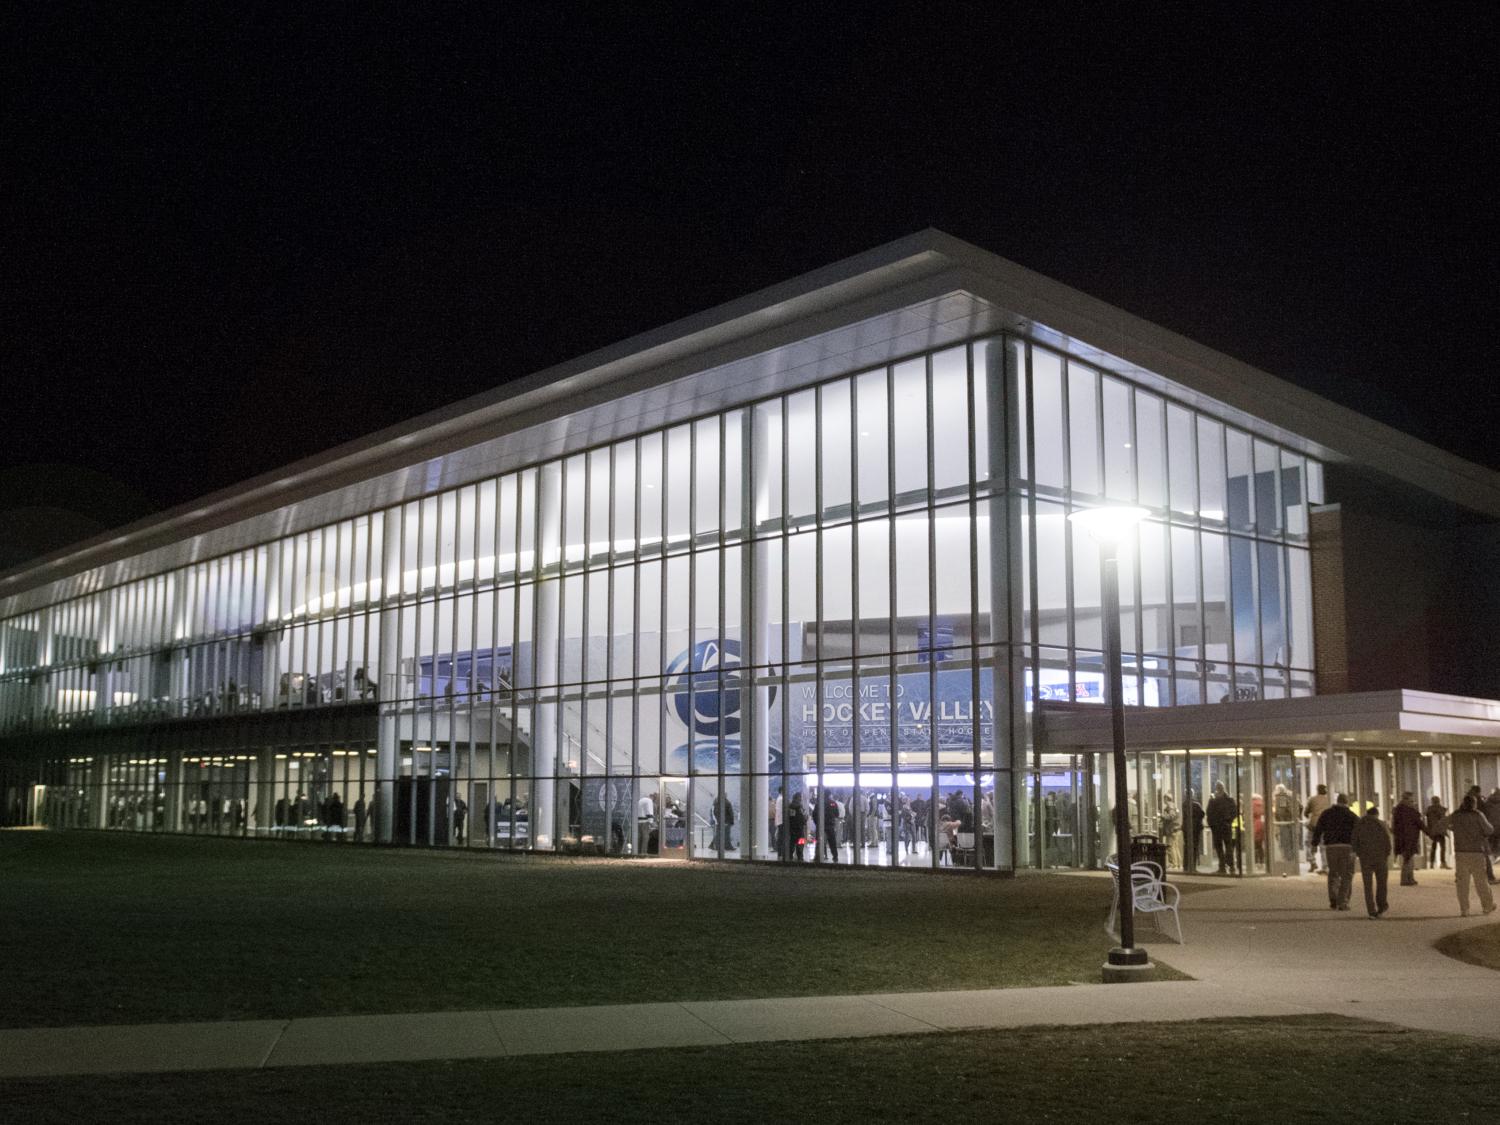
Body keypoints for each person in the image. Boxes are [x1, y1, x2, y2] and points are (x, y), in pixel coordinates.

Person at [1437, 795, 1496, 917]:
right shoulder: (1478, 815)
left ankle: (1464, 909)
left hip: (1460, 852)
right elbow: (1489, 830)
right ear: (1474, 804)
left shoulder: (1456, 815)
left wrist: (1453, 828)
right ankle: (1487, 906)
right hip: (1476, 852)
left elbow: (1441, 824)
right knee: (1481, 881)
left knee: (1462, 883)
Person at [1311, 793, 1358, 910]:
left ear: (1337, 801)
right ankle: (1343, 901)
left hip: (1331, 847)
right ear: (1346, 802)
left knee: (1333, 873)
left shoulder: (1326, 814)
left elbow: (1318, 829)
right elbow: (1359, 832)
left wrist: (1314, 844)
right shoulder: (1352, 816)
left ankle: (1334, 898)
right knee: (1347, 875)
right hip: (1347, 847)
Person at [1352, 803, 1393, 918]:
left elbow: (1354, 840)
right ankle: (1382, 905)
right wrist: (1387, 853)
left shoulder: (1359, 824)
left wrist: (1359, 853)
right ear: (1376, 814)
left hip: (1365, 858)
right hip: (1380, 857)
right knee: (1382, 883)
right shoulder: (1381, 824)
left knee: (1368, 885)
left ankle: (1371, 910)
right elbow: (1387, 840)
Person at [1392, 791, 1424, 886]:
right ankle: (1405, 879)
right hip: (1407, 837)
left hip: (1403, 837)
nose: (1412, 802)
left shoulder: (1398, 809)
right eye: (1411, 800)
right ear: (1406, 799)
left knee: (1409, 858)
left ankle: (1410, 878)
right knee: (1407, 859)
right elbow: (1418, 822)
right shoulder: (1407, 810)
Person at [1206, 782, 1237, 875]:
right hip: (1226, 826)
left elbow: (1209, 813)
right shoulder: (1229, 800)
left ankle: (1222, 866)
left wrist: (1212, 824)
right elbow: (1234, 812)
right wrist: (1229, 821)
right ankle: (1231, 866)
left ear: (1217, 789)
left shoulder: (1213, 801)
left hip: (1217, 827)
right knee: (1228, 846)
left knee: (1219, 847)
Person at [1304, 783, 1330, 872]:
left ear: (1317, 790)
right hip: (1324, 826)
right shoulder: (1328, 800)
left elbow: (1306, 812)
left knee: (1308, 843)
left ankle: (1312, 862)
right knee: (1323, 846)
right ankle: (1325, 866)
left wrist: (1308, 817)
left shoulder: (1312, 799)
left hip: (1313, 826)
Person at [1271, 783, 1298, 866]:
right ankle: (1292, 859)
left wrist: (1279, 819)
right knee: (1291, 842)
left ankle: (1287, 860)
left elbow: (1280, 812)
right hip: (1291, 823)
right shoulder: (1291, 796)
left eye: (1276, 790)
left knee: (1285, 842)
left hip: (1284, 823)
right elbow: (1300, 807)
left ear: (1279, 790)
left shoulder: (1281, 797)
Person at [1425, 794, 1449, 869]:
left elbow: (1428, 821)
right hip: (1440, 830)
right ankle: (1442, 862)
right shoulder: (1441, 809)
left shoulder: (1429, 810)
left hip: (1433, 830)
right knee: (1442, 847)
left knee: (1433, 847)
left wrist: (1428, 830)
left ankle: (1431, 863)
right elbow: (1443, 820)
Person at [816, 790, 840, 863]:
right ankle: (835, 857)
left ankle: (821, 855)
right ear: (830, 795)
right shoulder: (833, 803)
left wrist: (817, 823)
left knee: (821, 841)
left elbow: (814, 814)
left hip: (821, 825)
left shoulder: (819, 803)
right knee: (832, 841)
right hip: (830, 825)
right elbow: (837, 814)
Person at [1160, 795, 1182, 869]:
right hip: (1176, 829)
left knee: (1170, 847)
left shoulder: (1170, 806)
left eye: (1164, 798)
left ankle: (1173, 864)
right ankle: (1179, 864)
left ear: (1166, 799)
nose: (1163, 800)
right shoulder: (1174, 806)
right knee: (1175, 847)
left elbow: (1171, 816)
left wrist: (1162, 816)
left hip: (1171, 829)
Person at [1186, 791, 1205, 871]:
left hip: (1187, 829)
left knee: (1187, 847)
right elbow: (1202, 814)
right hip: (1196, 829)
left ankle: (1186, 866)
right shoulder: (1196, 805)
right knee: (1194, 847)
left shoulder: (1184, 804)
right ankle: (1192, 866)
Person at [787, 792, 808, 863]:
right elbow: (803, 816)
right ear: (798, 798)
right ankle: (800, 857)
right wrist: (805, 819)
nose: (801, 799)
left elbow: (791, 817)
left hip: (792, 827)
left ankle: (790, 856)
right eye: (800, 797)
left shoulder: (790, 806)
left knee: (792, 842)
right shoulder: (799, 806)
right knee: (800, 842)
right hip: (799, 827)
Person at [636, 789, 656, 856]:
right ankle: (644, 852)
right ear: (652, 797)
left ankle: (638, 852)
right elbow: (649, 811)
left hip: (638, 821)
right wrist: (651, 822)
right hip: (645, 822)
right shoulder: (649, 801)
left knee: (640, 837)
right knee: (645, 837)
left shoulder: (640, 800)